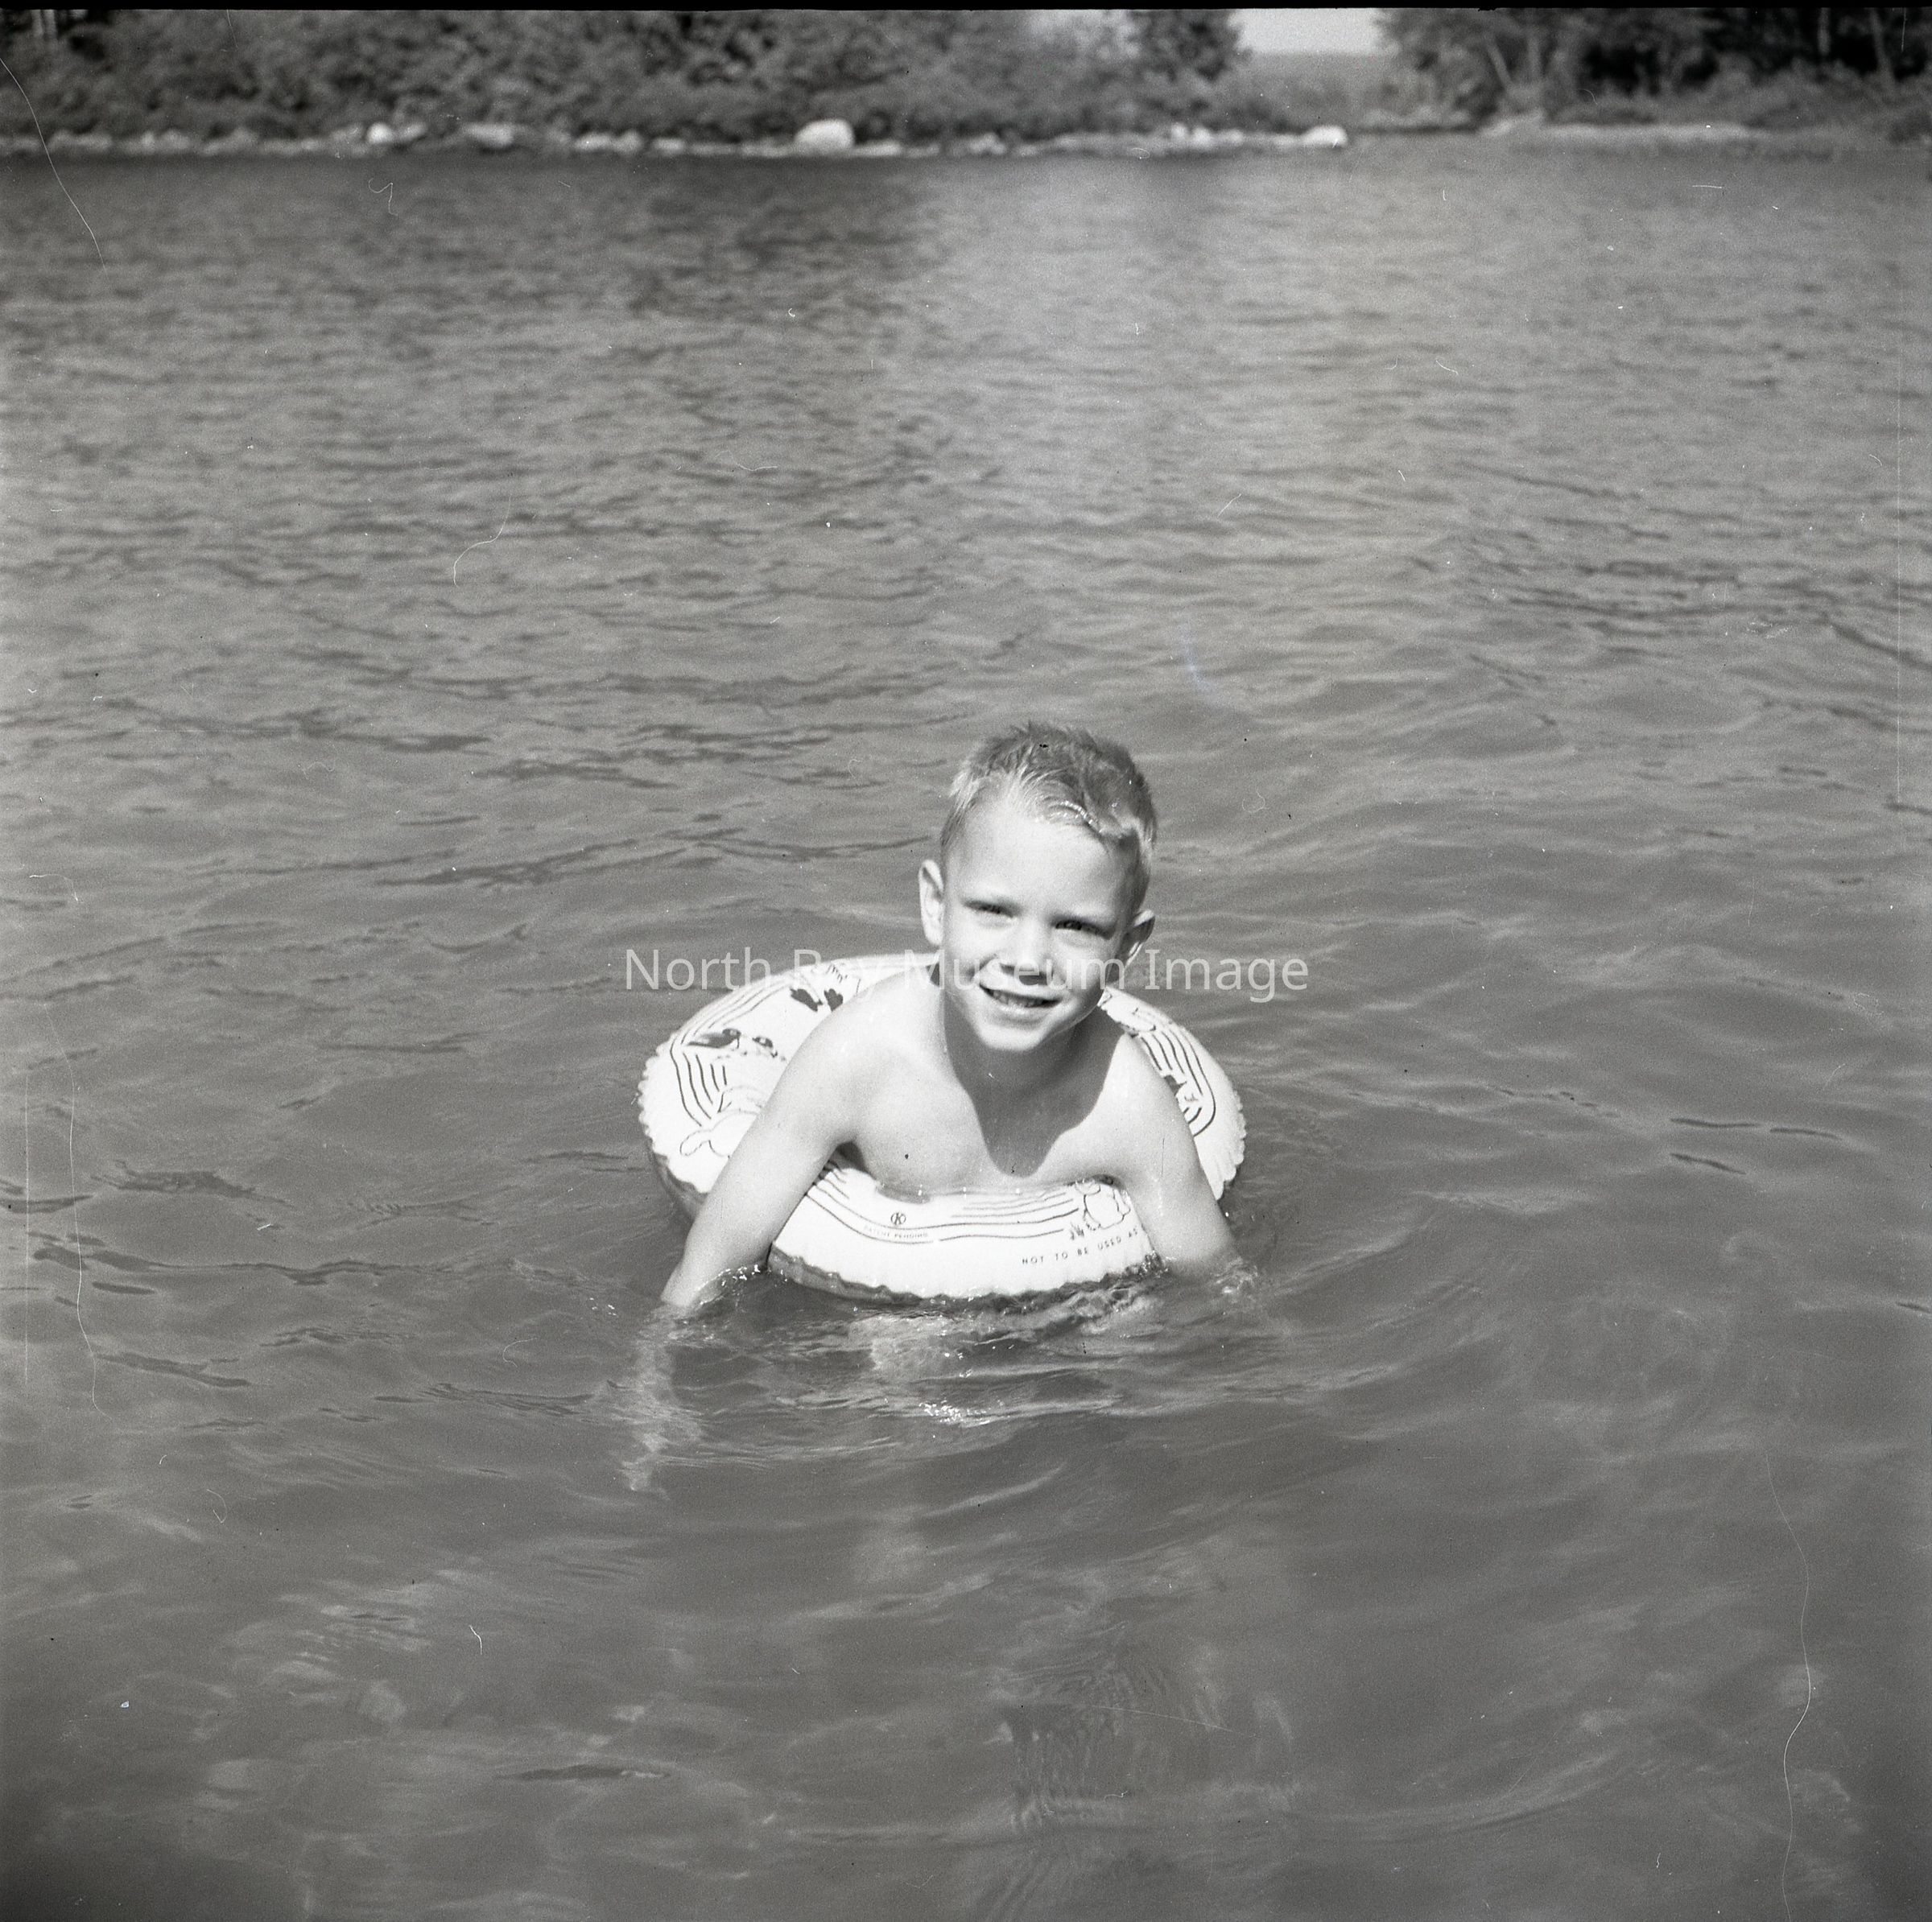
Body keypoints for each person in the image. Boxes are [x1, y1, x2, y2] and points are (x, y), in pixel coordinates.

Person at [659, 723, 1236, 1313]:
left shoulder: (1128, 1104)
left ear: (1127, 948)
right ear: (936, 907)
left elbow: (1215, 1283)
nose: (1028, 960)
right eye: (994, 910)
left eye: (1075, 926)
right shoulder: (855, 1059)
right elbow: (710, 1266)